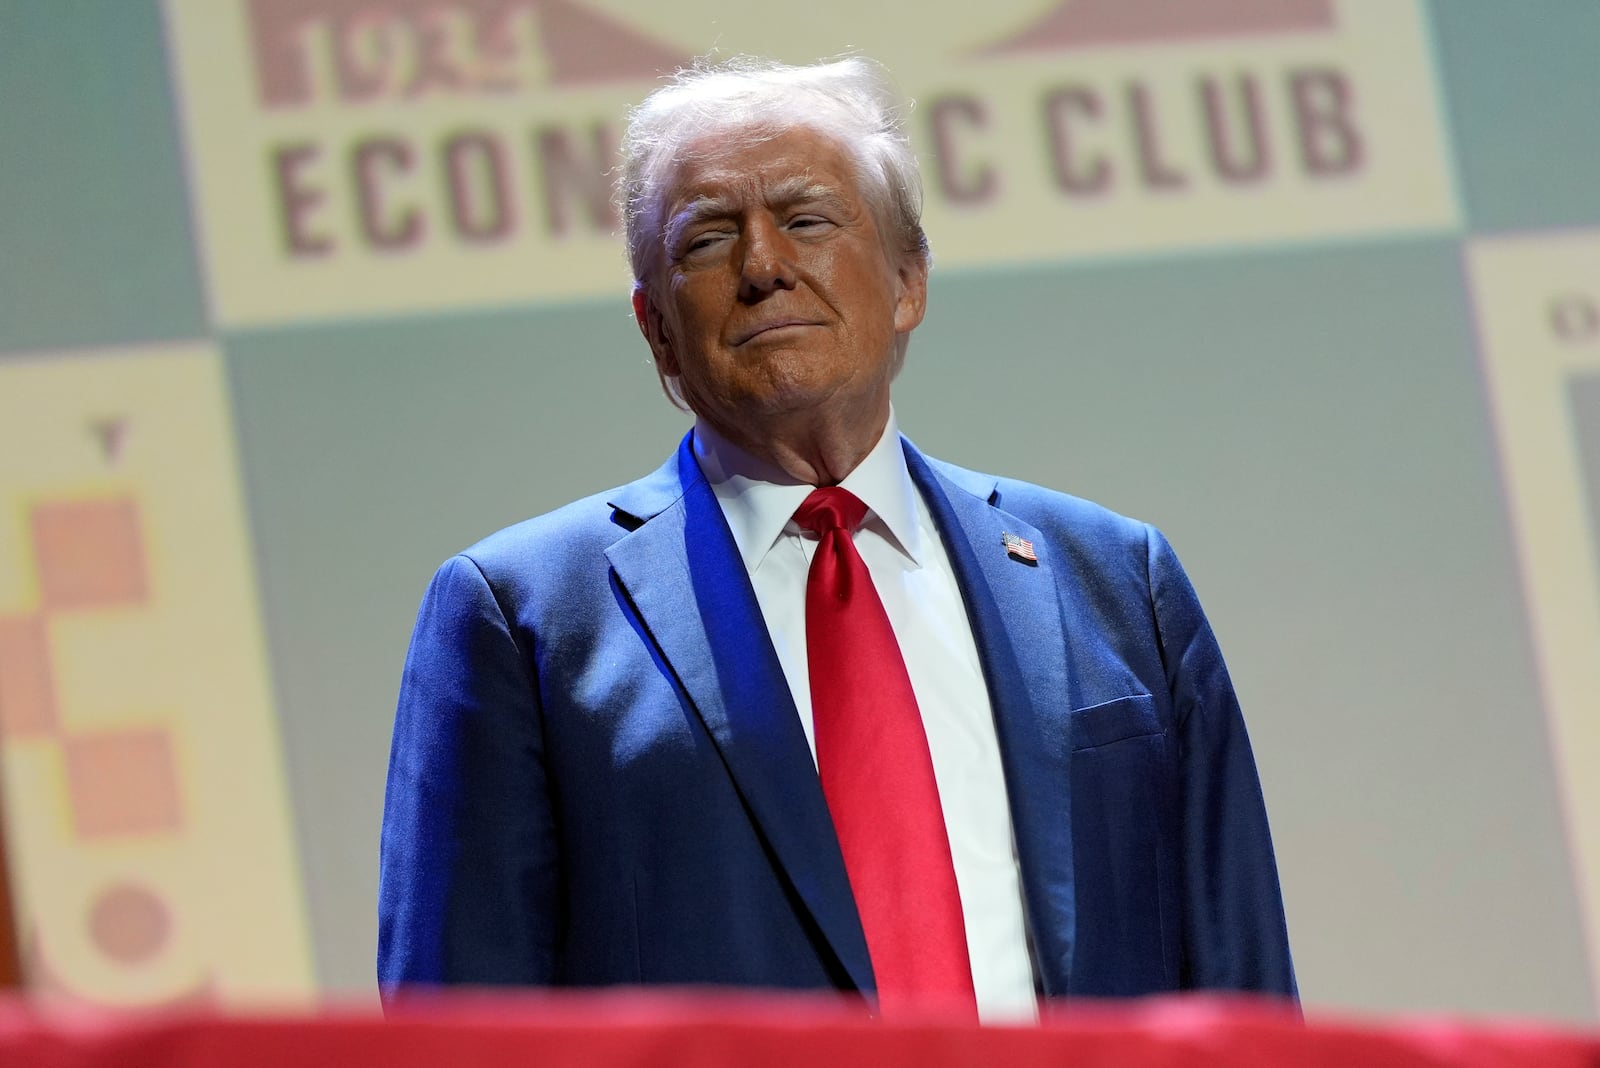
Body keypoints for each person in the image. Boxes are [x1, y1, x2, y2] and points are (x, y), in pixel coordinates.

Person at [377, 55, 1295, 1021]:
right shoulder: (522, 617)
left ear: (908, 282)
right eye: (706, 241)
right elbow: (460, 1025)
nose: (764, 266)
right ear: (655, 331)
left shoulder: (1117, 581)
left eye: (807, 219)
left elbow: (1243, 997)